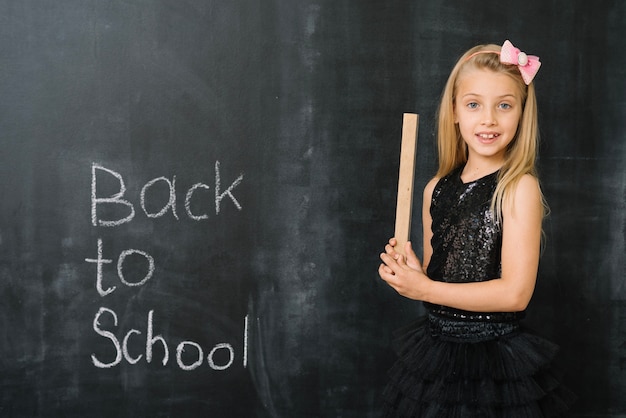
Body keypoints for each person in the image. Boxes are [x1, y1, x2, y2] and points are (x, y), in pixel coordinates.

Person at [378, 40, 575, 417]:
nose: (489, 119)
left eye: (504, 104)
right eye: (473, 104)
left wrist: (426, 287)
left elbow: (515, 294)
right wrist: (411, 275)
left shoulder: (518, 186)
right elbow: (439, 287)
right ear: (454, 111)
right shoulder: (436, 188)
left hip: (493, 360)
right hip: (436, 353)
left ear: (521, 113)